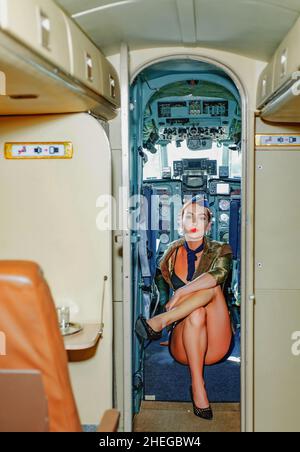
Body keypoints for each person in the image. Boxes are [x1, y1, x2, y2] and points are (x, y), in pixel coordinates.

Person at [135, 194, 233, 420]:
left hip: (217, 339)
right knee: (196, 313)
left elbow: (219, 275)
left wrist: (182, 291)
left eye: (201, 218)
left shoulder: (221, 249)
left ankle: (159, 322)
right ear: (180, 223)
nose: (195, 222)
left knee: (211, 287)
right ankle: (198, 386)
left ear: (208, 225)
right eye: (189, 216)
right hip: (183, 343)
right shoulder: (169, 253)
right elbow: (159, 296)